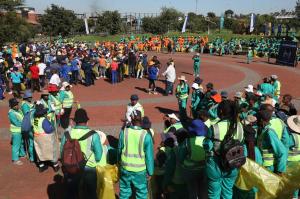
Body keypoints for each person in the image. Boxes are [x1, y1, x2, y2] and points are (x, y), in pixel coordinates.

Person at [203, 100, 244, 199]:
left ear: (221, 112)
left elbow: (207, 146)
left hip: (215, 164)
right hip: (233, 163)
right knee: (228, 192)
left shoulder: (214, 127)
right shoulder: (239, 126)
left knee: (213, 194)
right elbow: (242, 144)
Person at [60, 108, 104, 199]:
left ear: (75, 121)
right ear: (86, 121)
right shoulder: (94, 135)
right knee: (91, 193)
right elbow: (99, 156)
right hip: (89, 169)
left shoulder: (67, 134)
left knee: (72, 193)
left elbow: (62, 154)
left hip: (71, 168)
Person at [118, 110, 154, 199]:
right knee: (141, 193)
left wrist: (119, 163)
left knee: (124, 191)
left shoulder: (124, 132)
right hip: (140, 170)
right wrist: (150, 172)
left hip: (125, 167)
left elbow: (119, 150)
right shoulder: (146, 135)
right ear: (141, 119)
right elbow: (149, 156)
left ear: (131, 119)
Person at [233, 125, 263, 199]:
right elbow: (260, 165)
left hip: (240, 184)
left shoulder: (240, 149)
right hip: (254, 183)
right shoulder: (257, 150)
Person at [180, 119, 208, 199]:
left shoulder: (187, 142)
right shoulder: (207, 140)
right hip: (204, 169)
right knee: (203, 191)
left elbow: (181, 157)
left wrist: (183, 164)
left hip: (190, 170)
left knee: (192, 191)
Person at [32, 103, 60, 172]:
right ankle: (55, 166)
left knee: (39, 151)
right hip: (45, 138)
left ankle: (41, 166)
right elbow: (48, 129)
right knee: (52, 150)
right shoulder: (43, 120)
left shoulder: (35, 119)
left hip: (37, 137)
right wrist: (52, 127)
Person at [8, 98, 25, 165]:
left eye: (17, 104)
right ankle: (15, 159)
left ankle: (22, 154)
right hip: (16, 131)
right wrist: (24, 124)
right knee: (16, 145)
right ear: (12, 106)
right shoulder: (11, 113)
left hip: (20, 130)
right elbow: (16, 123)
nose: (17, 106)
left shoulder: (19, 110)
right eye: (15, 105)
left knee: (21, 142)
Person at [286, 115, 300, 199]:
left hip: (290, 163)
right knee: (295, 184)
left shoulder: (293, 137)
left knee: (287, 184)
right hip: (298, 163)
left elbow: (284, 148)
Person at [20, 90, 35, 162]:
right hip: (28, 123)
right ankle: (31, 156)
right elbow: (27, 113)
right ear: (26, 98)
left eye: (31, 97)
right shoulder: (24, 104)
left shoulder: (28, 103)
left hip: (30, 122)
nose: (31, 98)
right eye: (29, 97)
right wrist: (35, 108)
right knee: (29, 141)